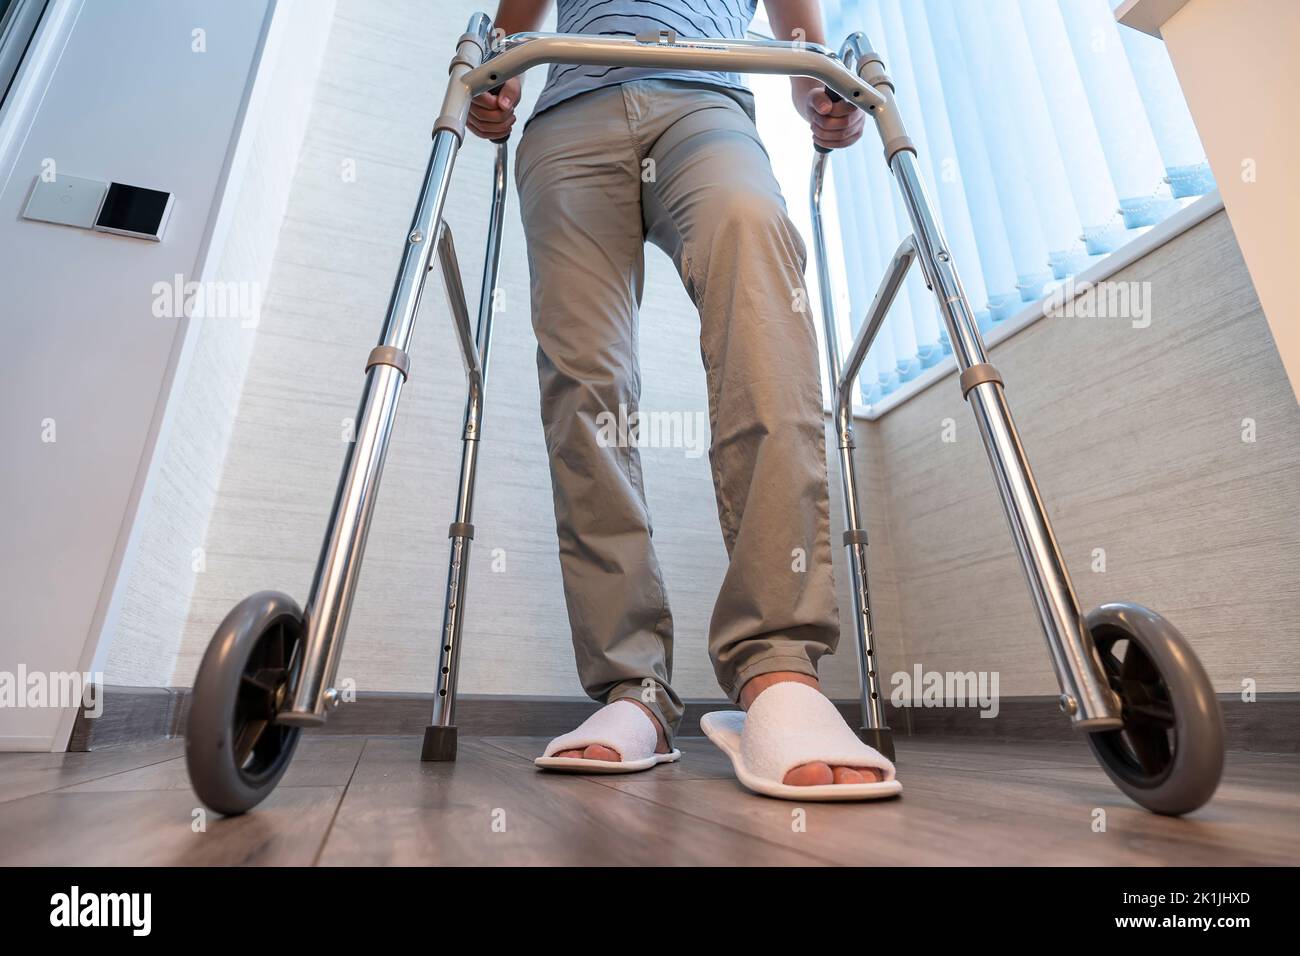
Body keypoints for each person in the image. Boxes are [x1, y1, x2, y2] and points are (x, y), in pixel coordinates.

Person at [468, 0, 898, 799]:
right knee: (584, 383)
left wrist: (817, 94)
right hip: (569, 117)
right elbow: (513, 24)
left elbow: (796, 27)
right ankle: (631, 689)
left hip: (707, 100)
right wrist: (499, 83)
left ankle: (778, 670)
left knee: (760, 303)